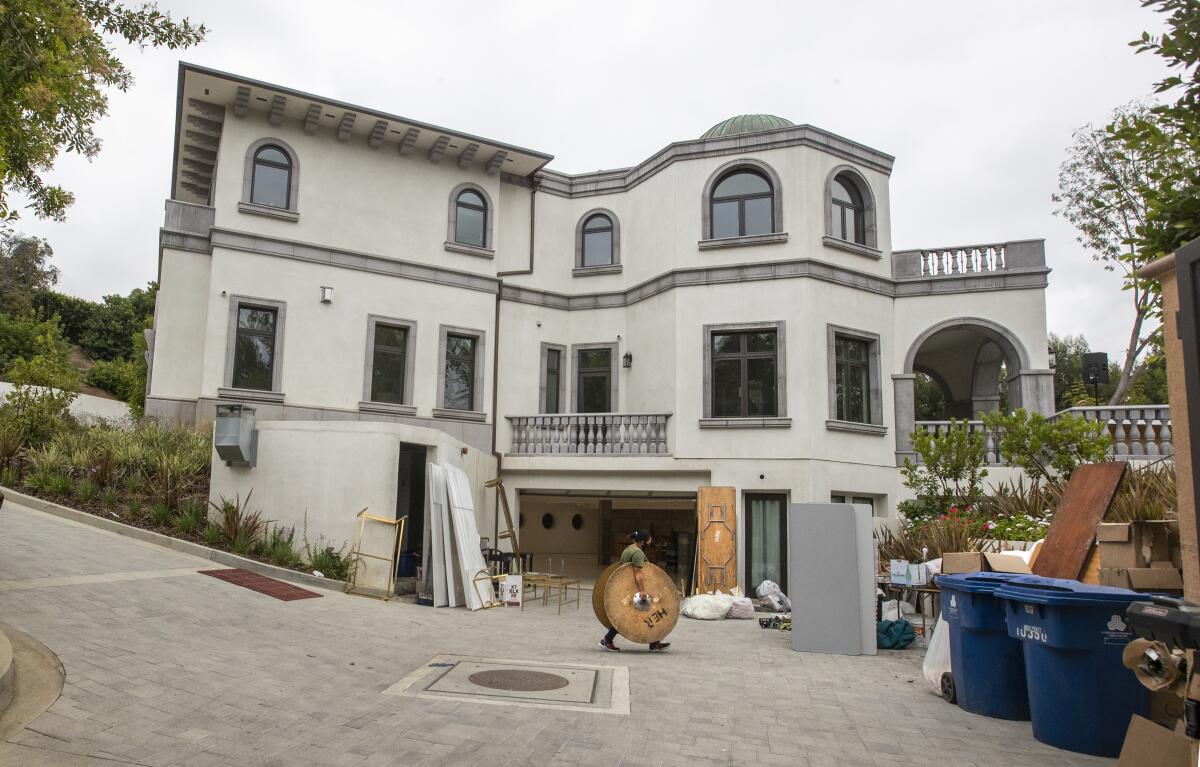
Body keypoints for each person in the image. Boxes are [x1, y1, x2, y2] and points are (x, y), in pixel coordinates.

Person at [599, 530, 671, 652]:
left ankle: (654, 642)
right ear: (642, 541)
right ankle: (607, 639)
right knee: (627, 616)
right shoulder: (637, 553)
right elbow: (637, 572)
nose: (650, 542)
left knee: (646, 614)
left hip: (625, 586)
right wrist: (642, 590)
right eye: (649, 540)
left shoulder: (629, 549)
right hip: (634, 588)